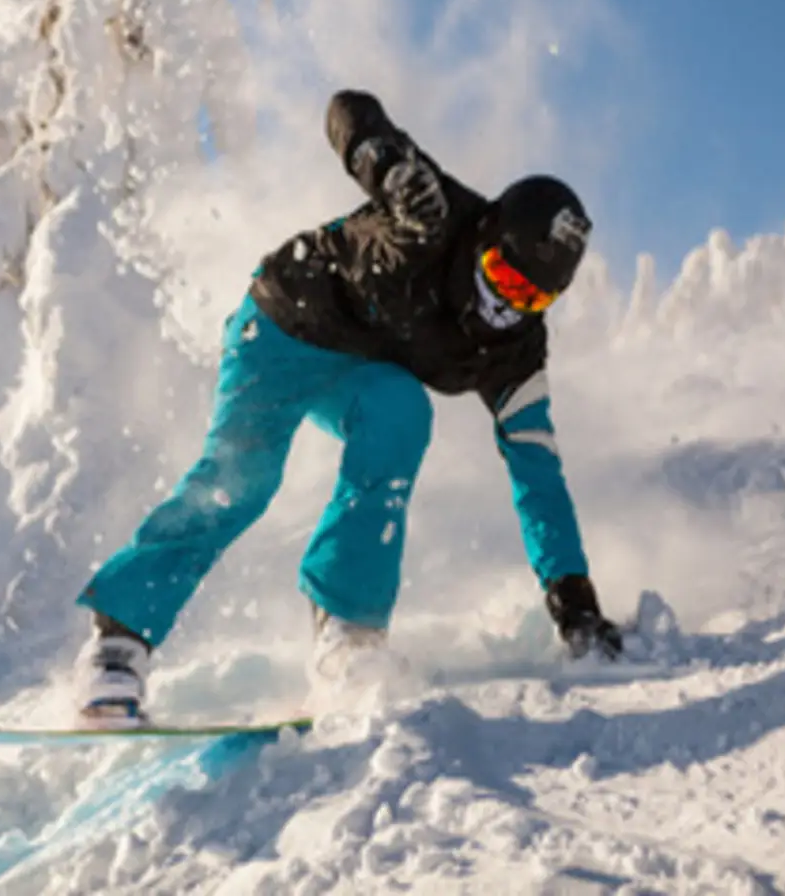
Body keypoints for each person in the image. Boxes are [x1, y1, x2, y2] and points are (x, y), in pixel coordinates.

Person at [73, 89, 623, 722]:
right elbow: (348, 111)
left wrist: (573, 598)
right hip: (282, 327)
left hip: (358, 372)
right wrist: (387, 170)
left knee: (403, 411)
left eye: (531, 298)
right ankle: (117, 644)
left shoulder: (513, 350)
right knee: (242, 480)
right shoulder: (436, 213)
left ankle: (347, 631)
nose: (506, 304)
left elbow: (537, 472)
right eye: (503, 276)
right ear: (485, 238)